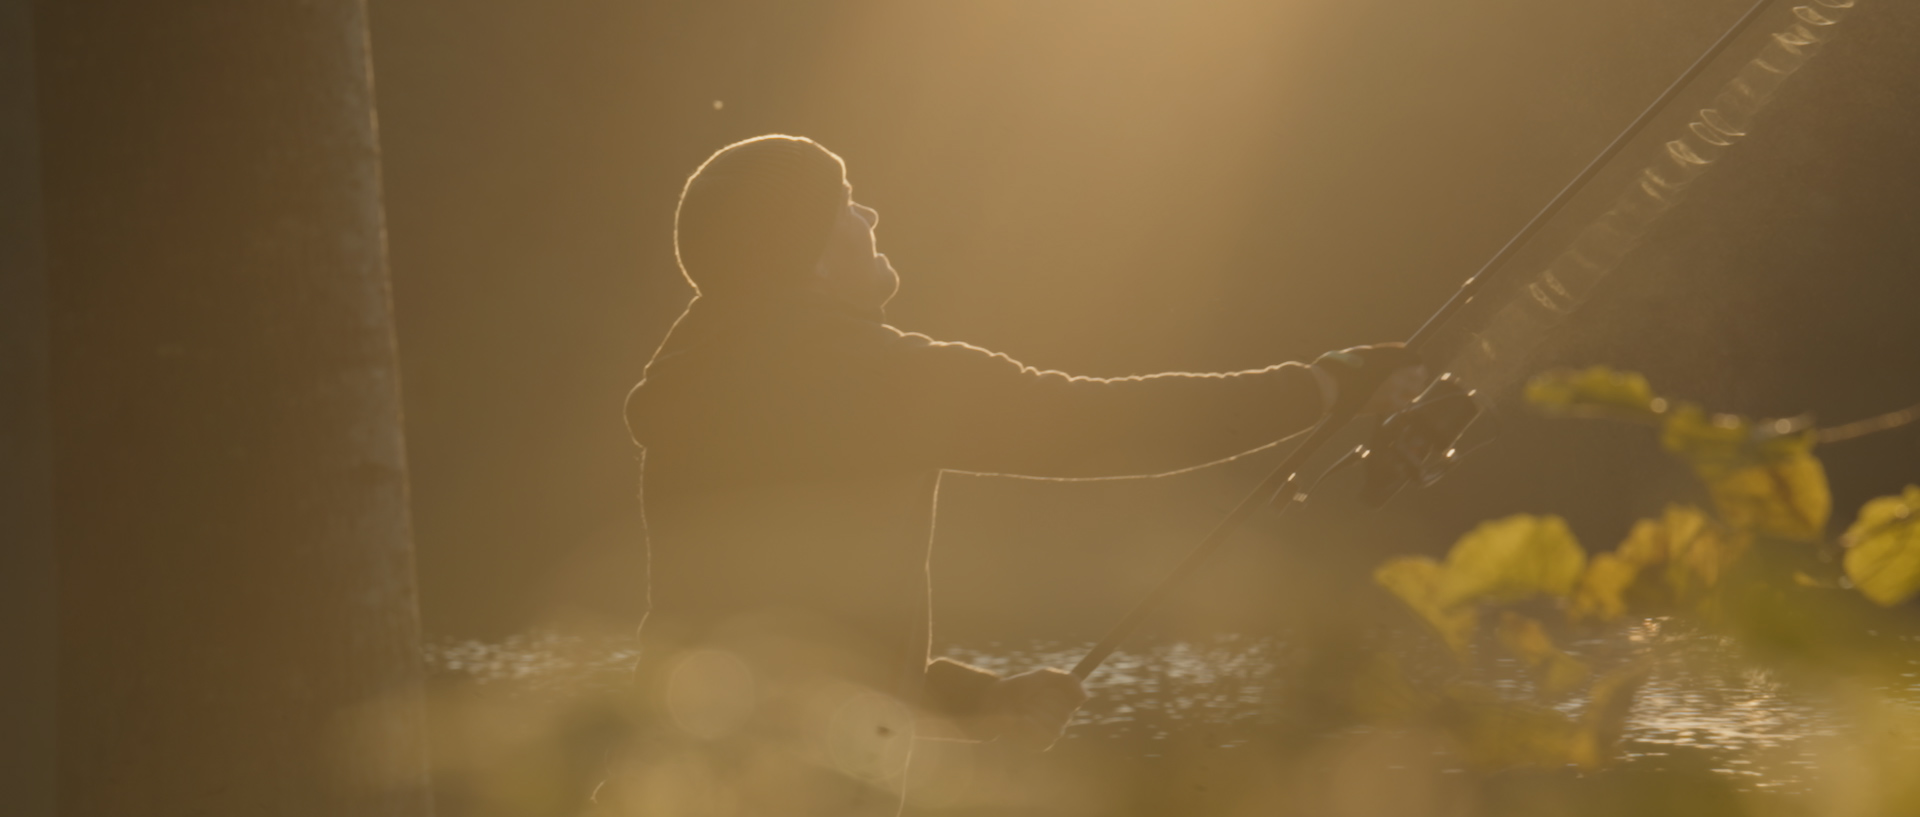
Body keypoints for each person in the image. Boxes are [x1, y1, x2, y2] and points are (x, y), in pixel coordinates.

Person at [607, 134, 1423, 815]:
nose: (869, 214)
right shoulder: (858, 377)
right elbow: (1095, 423)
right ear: (807, 251)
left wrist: (981, 700)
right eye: (846, 201)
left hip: (665, 773)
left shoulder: (705, 380)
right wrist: (1324, 387)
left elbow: (788, 646)